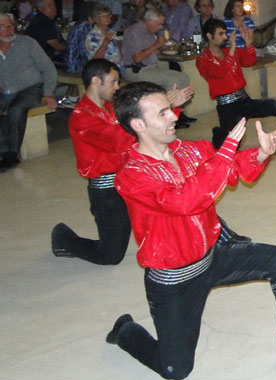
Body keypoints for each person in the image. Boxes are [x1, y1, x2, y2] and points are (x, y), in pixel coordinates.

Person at [105, 81, 276, 380]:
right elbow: (185, 200)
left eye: (170, 109)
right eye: (162, 113)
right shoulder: (132, 175)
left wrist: (261, 154)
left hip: (214, 256)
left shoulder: (188, 150)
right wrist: (225, 152)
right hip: (175, 280)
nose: (174, 116)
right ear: (138, 124)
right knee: (176, 370)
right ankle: (126, 331)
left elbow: (230, 167)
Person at [51, 59, 194, 264]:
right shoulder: (82, 117)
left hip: (133, 178)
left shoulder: (111, 107)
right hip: (108, 190)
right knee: (110, 254)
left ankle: (221, 240)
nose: (117, 87)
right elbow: (121, 139)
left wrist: (168, 110)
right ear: (95, 81)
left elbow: (146, 129)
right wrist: (164, 107)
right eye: (113, 81)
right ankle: (63, 238)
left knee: (181, 204)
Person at [198, 18, 276, 155]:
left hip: (245, 101)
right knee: (229, 147)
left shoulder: (229, 51)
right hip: (227, 108)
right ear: (209, 36)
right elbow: (222, 72)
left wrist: (248, 44)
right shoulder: (203, 60)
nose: (225, 37)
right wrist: (233, 49)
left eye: (225, 33)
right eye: (221, 34)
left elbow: (249, 61)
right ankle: (219, 133)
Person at [0, 12, 59, 172]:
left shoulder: (27, 43)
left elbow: (48, 68)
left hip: (31, 88)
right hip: (5, 91)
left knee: (17, 109)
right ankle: (3, 150)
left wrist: (48, 92)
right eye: (4, 27)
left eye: (10, 26)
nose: (9, 30)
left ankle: (12, 154)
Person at [121, 8, 195, 128]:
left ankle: (179, 112)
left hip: (152, 67)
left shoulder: (150, 31)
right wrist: (156, 45)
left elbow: (150, 51)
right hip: (137, 70)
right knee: (173, 80)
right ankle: (169, 115)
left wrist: (162, 47)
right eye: (159, 24)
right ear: (149, 22)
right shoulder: (134, 31)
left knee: (183, 77)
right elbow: (137, 58)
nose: (160, 27)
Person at [25, 0, 66, 65]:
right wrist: (70, 48)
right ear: (41, 9)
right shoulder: (43, 22)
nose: (54, 8)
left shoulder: (46, 19)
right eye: (49, 5)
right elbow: (57, 46)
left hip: (42, 57)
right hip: (42, 60)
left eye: (54, 5)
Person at [64, 1, 97, 73]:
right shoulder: (84, 27)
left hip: (73, 63)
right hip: (76, 66)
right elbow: (85, 51)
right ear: (90, 17)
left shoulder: (80, 25)